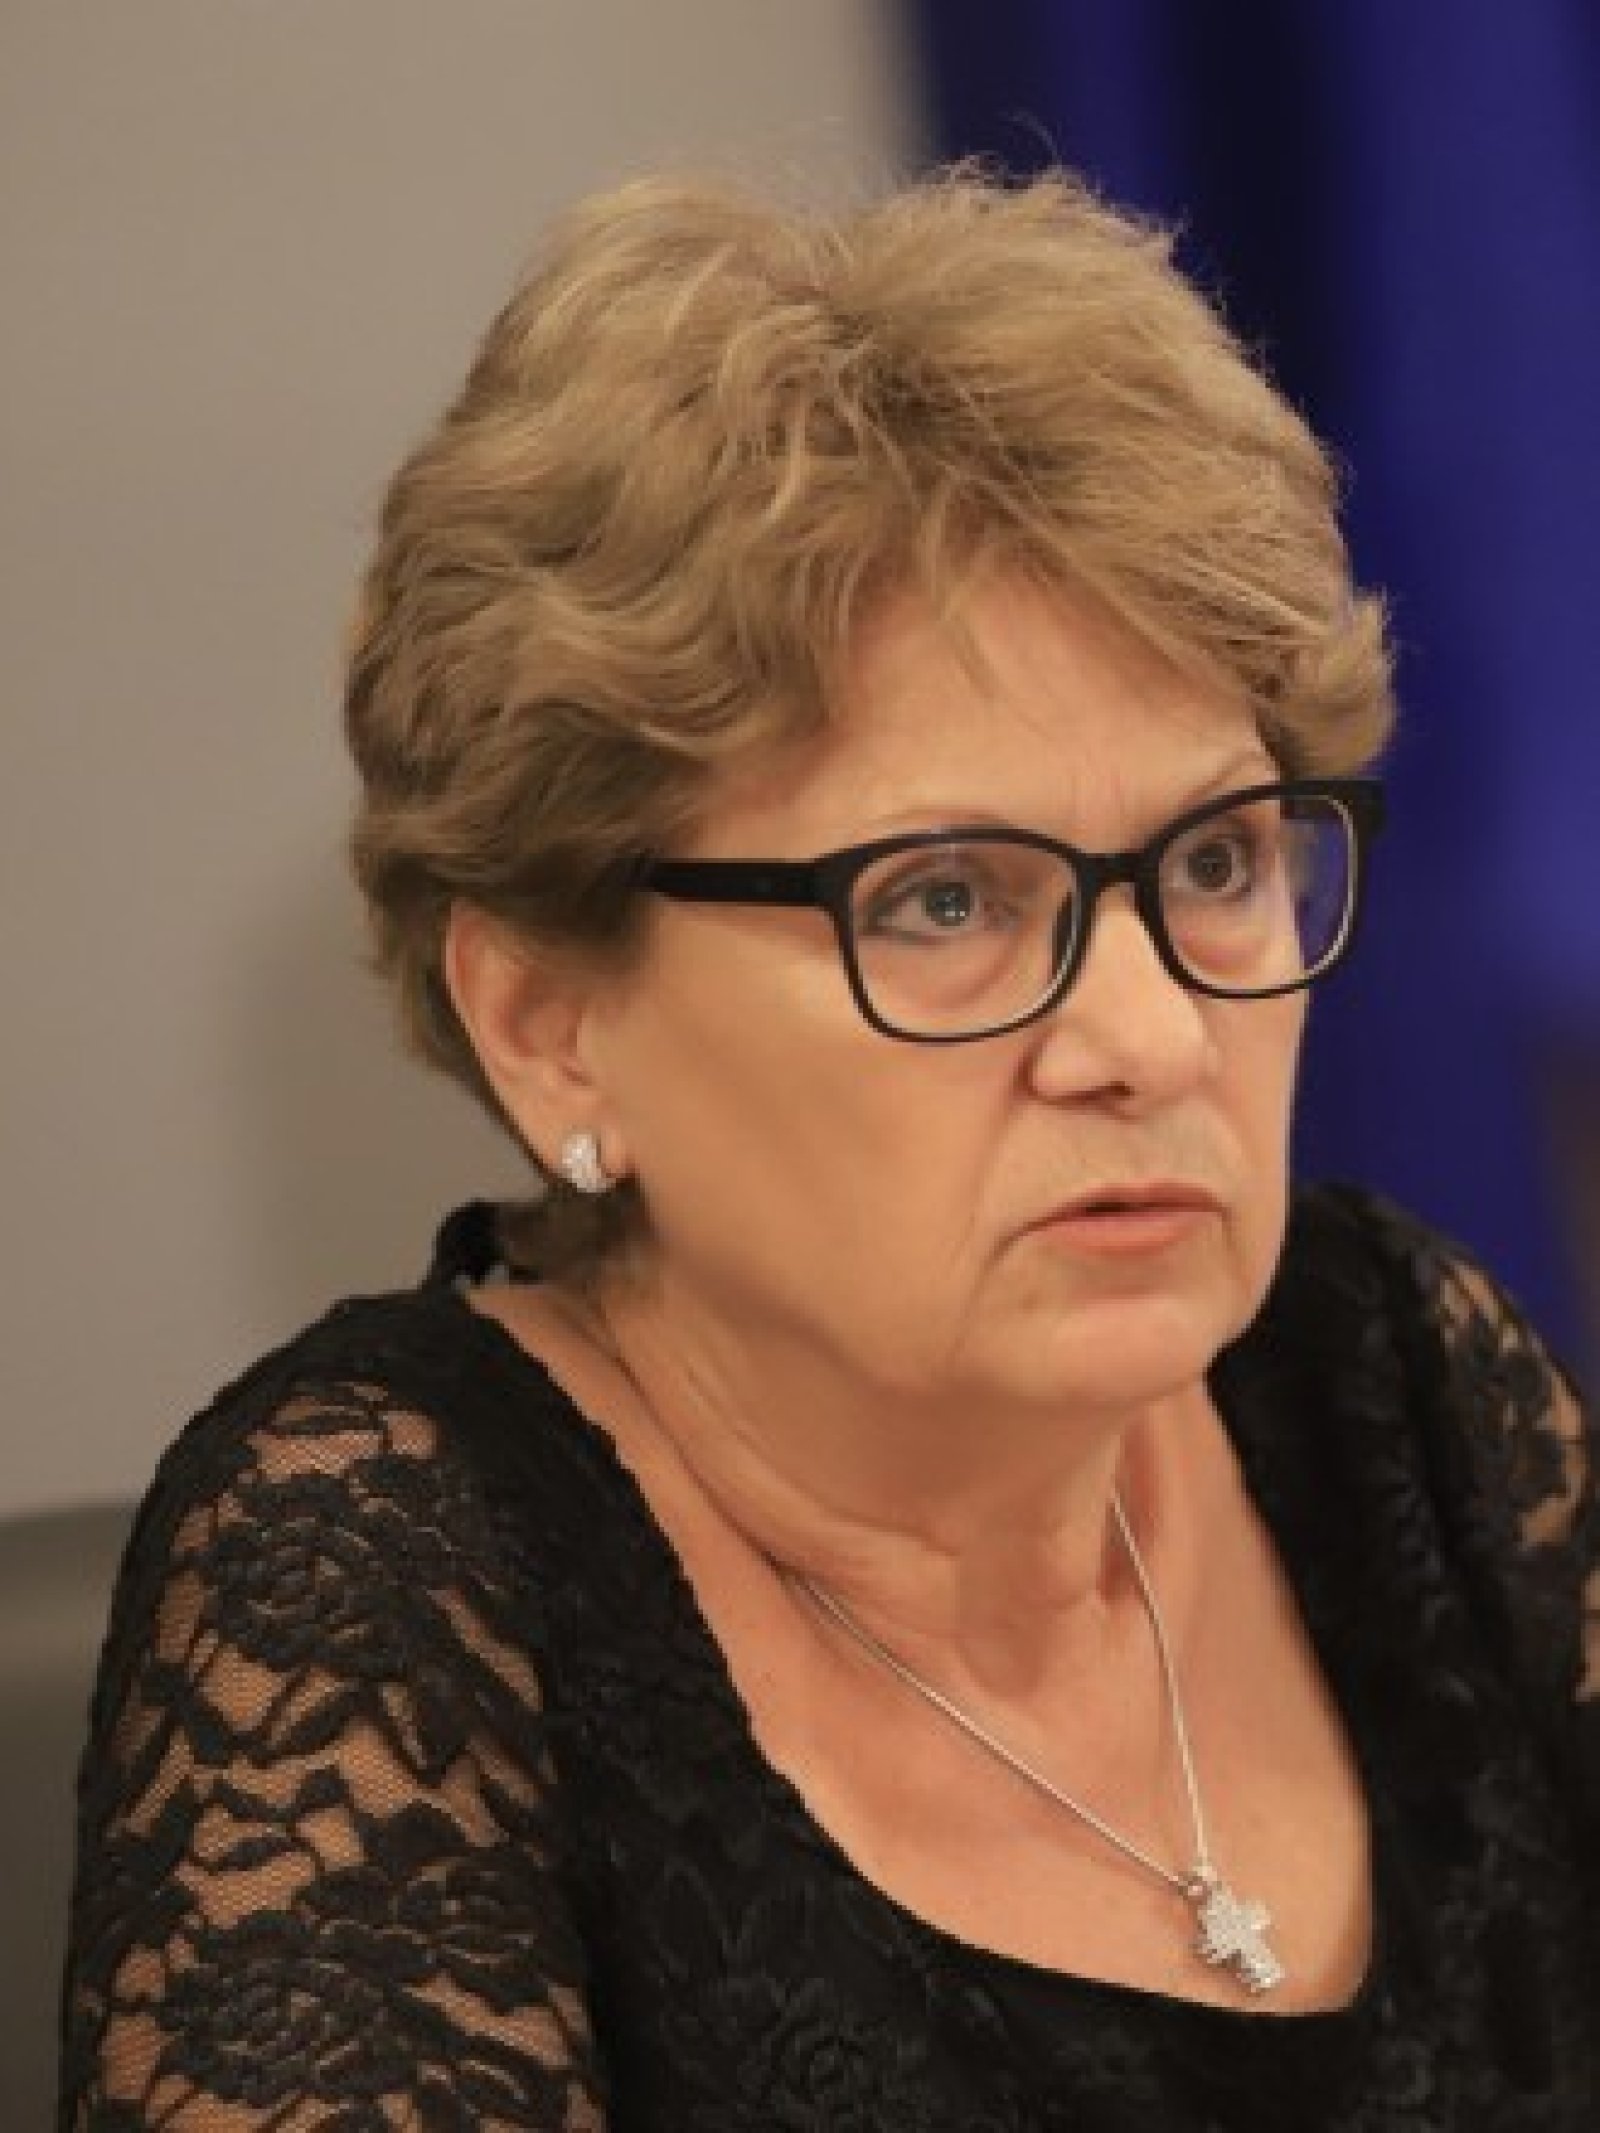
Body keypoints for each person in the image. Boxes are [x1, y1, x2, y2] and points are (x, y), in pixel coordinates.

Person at [60, 167, 1596, 2130]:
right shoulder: (373, 1579)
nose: (1149, 1036)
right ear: (549, 1020)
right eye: (945, 898)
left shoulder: (1391, 1372)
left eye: (1215, 860)